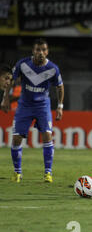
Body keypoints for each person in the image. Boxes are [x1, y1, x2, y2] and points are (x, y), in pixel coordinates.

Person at [0, 38, 64, 183]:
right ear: (33, 51)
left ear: (47, 52)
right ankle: (17, 173)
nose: (40, 53)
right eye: (37, 50)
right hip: (25, 105)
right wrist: (5, 98)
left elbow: (60, 86)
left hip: (43, 106)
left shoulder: (53, 68)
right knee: (16, 138)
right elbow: (10, 81)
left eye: (43, 50)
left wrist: (60, 106)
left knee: (47, 136)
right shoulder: (23, 64)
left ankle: (48, 173)